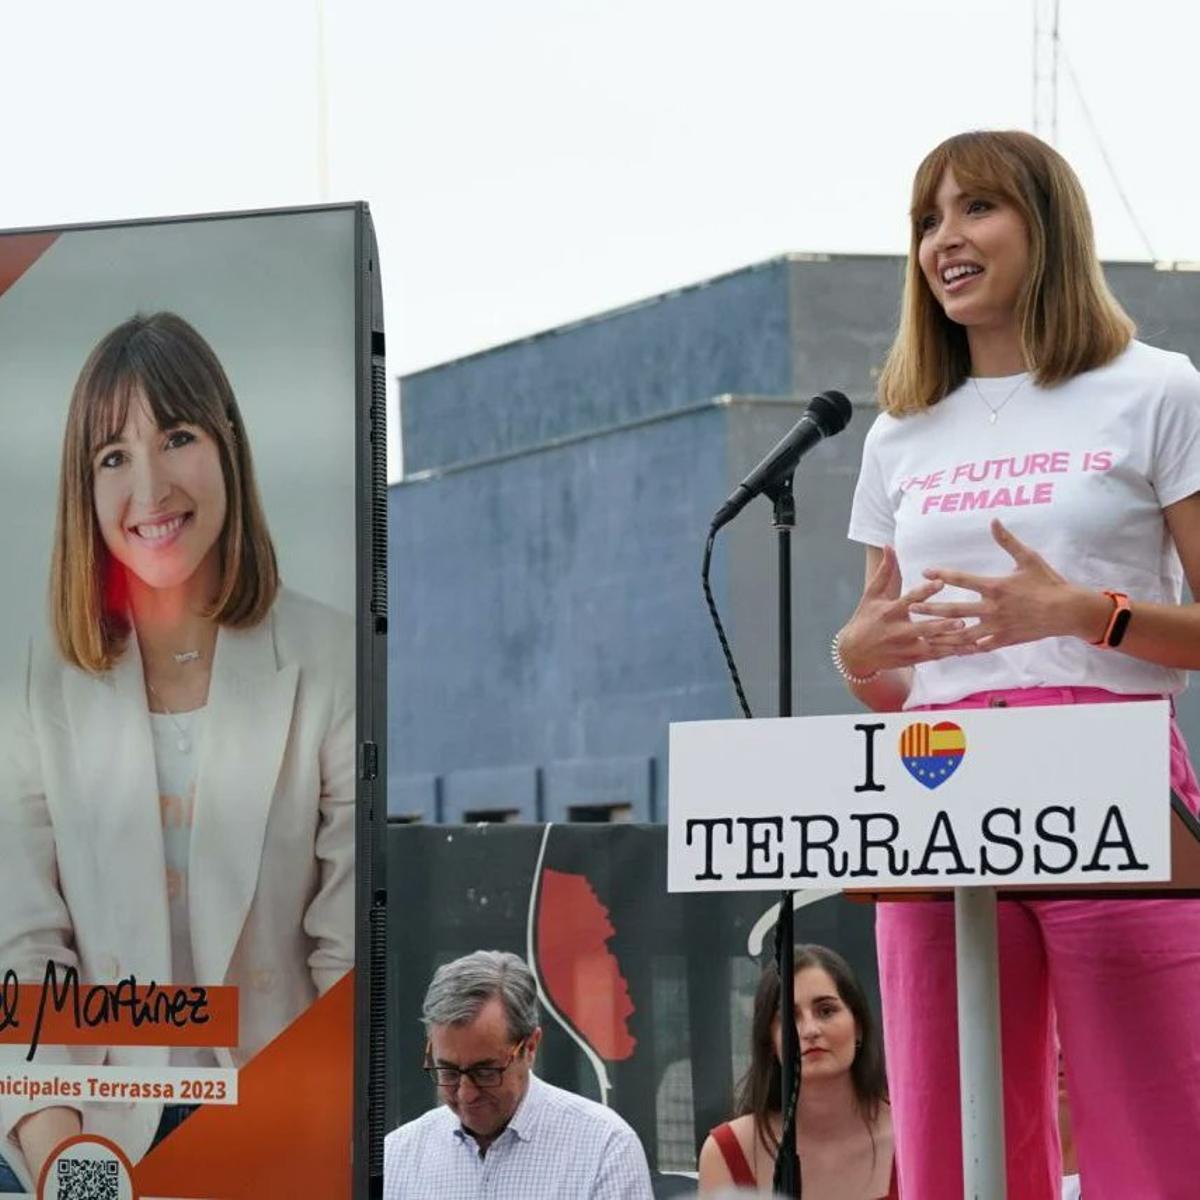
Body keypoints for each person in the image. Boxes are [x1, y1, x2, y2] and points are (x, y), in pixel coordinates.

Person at [834, 130, 1200, 1199]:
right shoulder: (898, 431)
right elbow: (882, 648)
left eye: (976, 210)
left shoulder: (1156, 389)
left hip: (1109, 770)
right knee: (953, 1148)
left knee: (1156, 1132)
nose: (946, 239)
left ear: (1048, 226)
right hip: (935, 776)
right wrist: (857, 658)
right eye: (927, 221)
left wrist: (1088, 613)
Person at [0, 312, 355, 1187]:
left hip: (286, 1118)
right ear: (83, 490)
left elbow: (346, 954)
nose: (150, 486)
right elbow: (26, 950)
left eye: (178, 435)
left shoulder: (331, 656)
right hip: (93, 1127)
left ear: (227, 443)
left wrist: (284, 1148)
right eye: (112, 456)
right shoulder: (44, 679)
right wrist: (66, 1163)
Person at [384, 949, 654, 1200]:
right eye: (449, 1071)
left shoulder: (604, 1146)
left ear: (531, 1046)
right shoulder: (399, 1155)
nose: (466, 1093)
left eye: (485, 1071)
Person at [697, 945, 896, 1199]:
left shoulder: (910, 1137)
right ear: (769, 1039)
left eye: (826, 1011)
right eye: (790, 1017)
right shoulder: (727, 1151)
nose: (810, 1030)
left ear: (858, 1026)